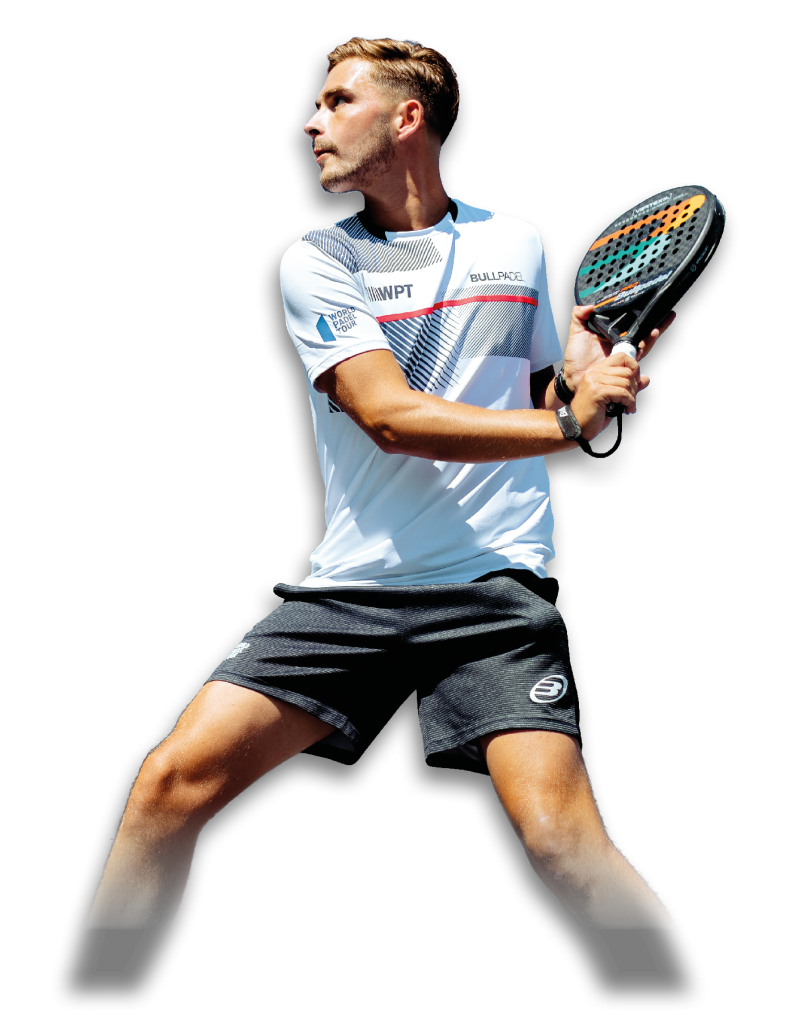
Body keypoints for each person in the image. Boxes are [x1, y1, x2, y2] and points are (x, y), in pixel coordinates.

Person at [78, 35, 701, 1006]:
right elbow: (390, 415)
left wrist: (591, 392)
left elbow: (544, 412)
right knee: (165, 790)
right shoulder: (314, 262)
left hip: (495, 598)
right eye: (313, 104)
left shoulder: (516, 246)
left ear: (408, 118)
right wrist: (563, 420)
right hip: (344, 597)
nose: (308, 124)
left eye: (336, 101)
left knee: (557, 838)